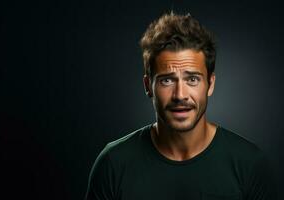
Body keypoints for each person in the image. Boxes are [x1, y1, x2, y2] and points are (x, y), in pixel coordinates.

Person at [84, 11, 277, 200]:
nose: (180, 95)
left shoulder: (249, 164)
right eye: (167, 80)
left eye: (192, 79)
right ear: (147, 86)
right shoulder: (113, 164)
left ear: (210, 84)